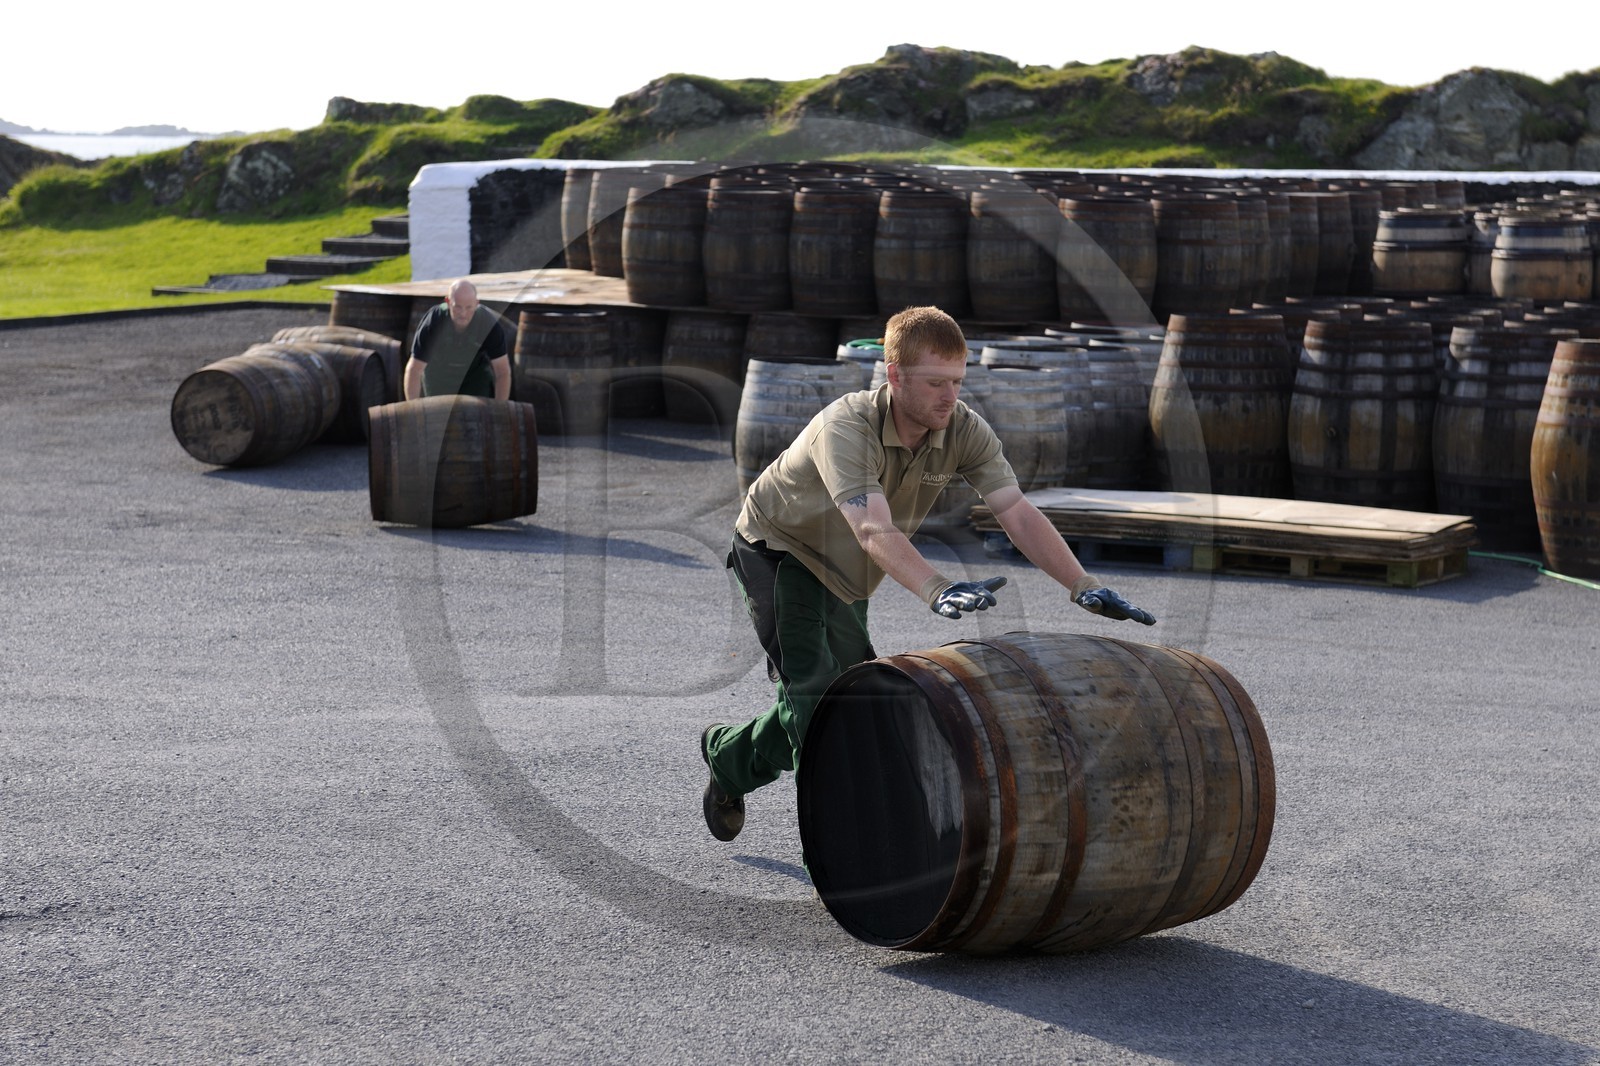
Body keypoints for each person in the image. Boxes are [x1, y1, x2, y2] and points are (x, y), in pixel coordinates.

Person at [700, 305, 1156, 842]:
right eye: (936, 382)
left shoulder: (962, 428)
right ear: (894, 376)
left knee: (849, 700)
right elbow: (872, 528)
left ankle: (730, 760)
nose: (950, 396)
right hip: (780, 551)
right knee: (816, 697)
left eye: (957, 381)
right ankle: (842, 853)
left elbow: (1016, 512)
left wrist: (1082, 584)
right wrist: (937, 589)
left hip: (847, 573)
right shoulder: (846, 427)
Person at [402, 279, 512, 401]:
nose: (463, 314)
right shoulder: (434, 321)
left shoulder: (487, 324)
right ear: (448, 302)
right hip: (438, 376)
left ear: (476, 303)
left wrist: (500, 407)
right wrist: (413, 406)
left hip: (474, 376)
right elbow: (414, 369)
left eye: (469, 307)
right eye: (458, 307)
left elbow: (502, 371)